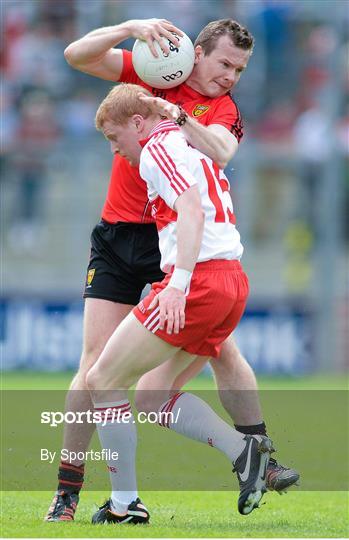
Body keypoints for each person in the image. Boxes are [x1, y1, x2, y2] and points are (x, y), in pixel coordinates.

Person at [45, 18, 299, 522]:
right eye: (225, 63)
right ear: (195, 51)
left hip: (182, 242)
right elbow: (76, 55)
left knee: (221, 354)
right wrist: (128, 26)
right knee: (94, 365)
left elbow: (223, 152)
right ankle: (68, 492)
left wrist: (179, 119)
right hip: (124, 236)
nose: (231, 77)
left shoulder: (219, 110)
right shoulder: (151, 74)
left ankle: (258, 456)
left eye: (240, 69)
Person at [88, 82, 275, 522]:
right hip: (231, 279)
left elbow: (191, 208)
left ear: (137, 123)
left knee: (102, 380)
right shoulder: (187, 139)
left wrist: (178, 284)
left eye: (115, 139)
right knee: (153, 396)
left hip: (200, 281)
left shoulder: (157, 147)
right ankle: (246, 453)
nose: (117, 151)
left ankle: (124, 505)